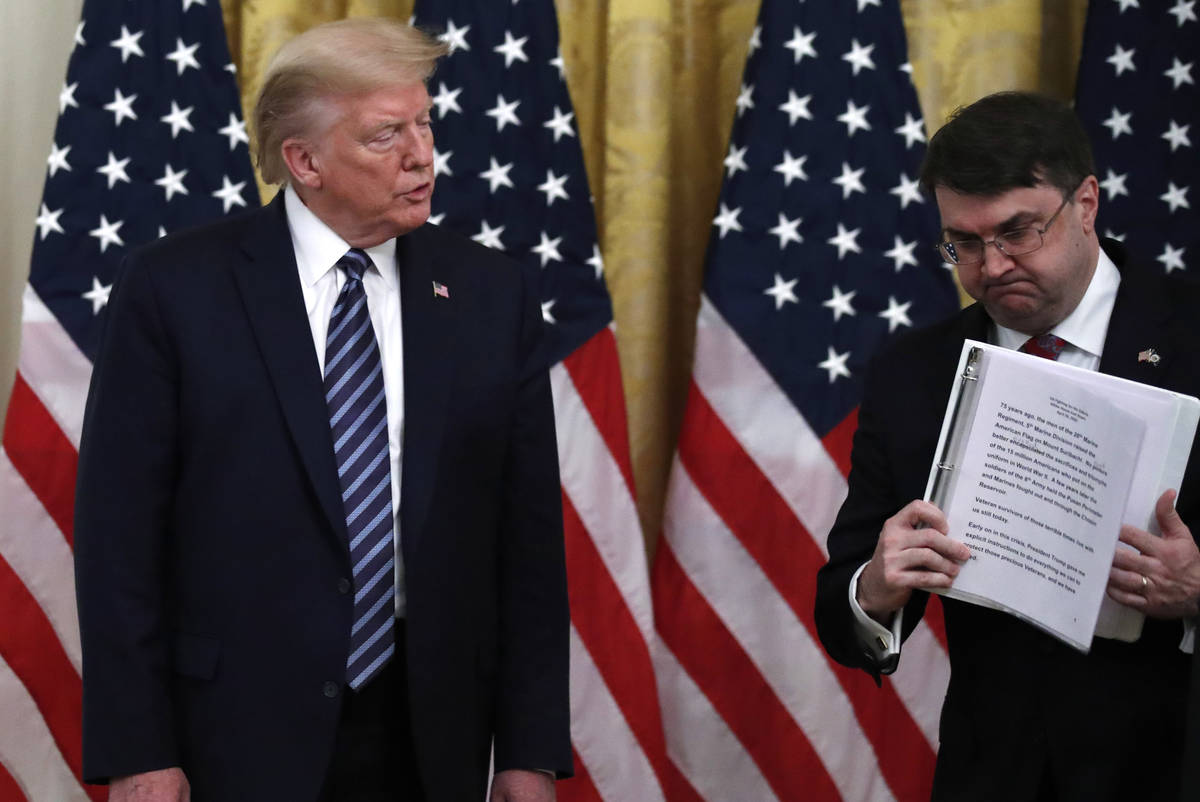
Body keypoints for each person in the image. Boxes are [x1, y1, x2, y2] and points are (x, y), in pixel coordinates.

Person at [73, 19, 570, 802]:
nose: (422, 155)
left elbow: (530, 540)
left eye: (424, 122)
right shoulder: (174, 290)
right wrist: (138, 747)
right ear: (303, 162)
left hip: (432, 733)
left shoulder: (490, 295)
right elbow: (119, 541)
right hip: (232, 732)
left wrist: (530, 750)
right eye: (385, 136)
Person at [814, 91, 1200, 801]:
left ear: (1085, 203)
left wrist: (1198, 590)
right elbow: (844, 611)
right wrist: (879, 584)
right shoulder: (913, 374)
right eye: (962, 242)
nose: (990, 267)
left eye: (1017, 232)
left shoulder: (1190, 333)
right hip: (995, 776)